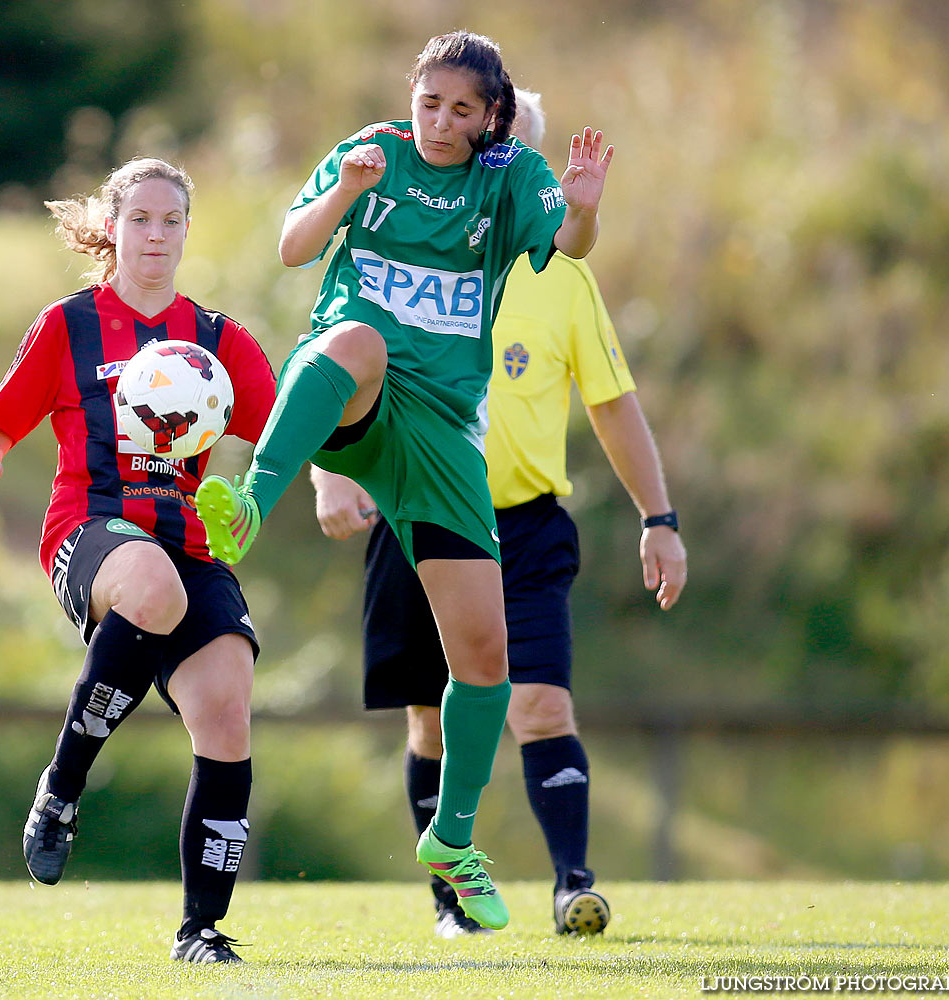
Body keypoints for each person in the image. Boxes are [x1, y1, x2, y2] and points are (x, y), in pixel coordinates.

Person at [193, 31, 613, 931]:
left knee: (486, 665)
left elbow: (571, 244)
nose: (440, 121)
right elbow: (290, 249)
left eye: (461, 109)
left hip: (445, 434)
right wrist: (345, 187)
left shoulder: (509, 178)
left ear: (490, 116)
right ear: (411, 97)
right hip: (361, 397)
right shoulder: (372, 155)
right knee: (356, 338)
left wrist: (580, 208)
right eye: (430, 102)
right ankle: (253, 501)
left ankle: (453, 841)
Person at [310, 88, 688, 938]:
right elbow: (336, 349)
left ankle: (572, 886)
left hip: (522, 526)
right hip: (416, 518)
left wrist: (658, 519)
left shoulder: (564, 281)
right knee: (428, 716)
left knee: (542, 706)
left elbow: (613, 404)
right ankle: (452, 900)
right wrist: (330, 474)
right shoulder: (403, 230)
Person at [0, 157, 276, 964]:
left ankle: (200, 933)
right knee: (150, 585)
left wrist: (334, 481)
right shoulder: (69, 325)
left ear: (187, 233)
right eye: (141, 219)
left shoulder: (218, 340)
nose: (156, 236)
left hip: (189, 545)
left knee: (227, 709)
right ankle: (63, 787)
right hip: (89, 531)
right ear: (113, 226)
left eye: (171, 221)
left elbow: (286, 429)